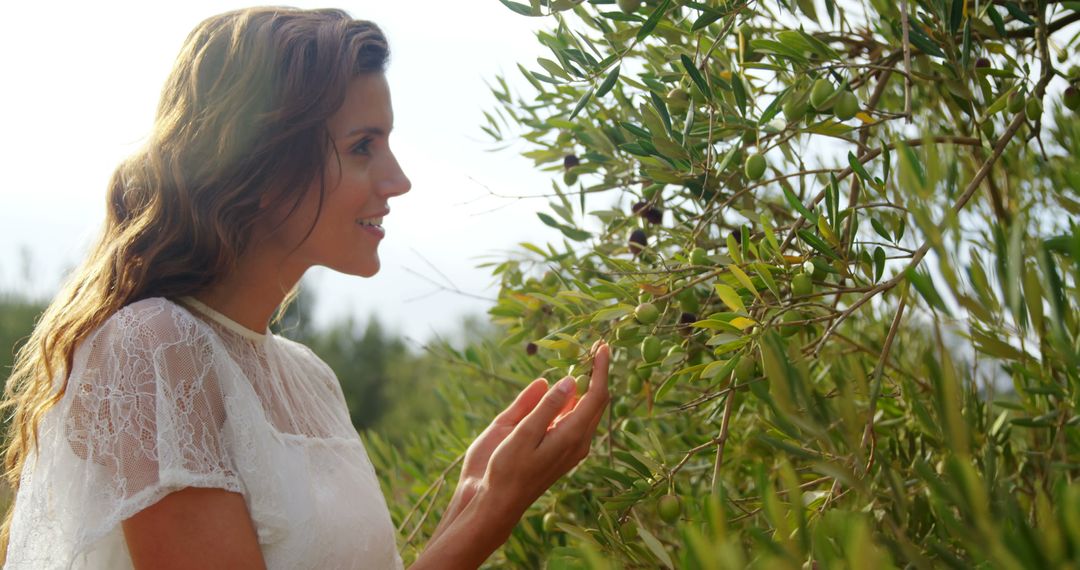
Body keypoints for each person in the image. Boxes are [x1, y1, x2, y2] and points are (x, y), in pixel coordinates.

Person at [0, 7, 611, 569]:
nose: (397, 181)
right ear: (260, 162)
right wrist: (492, 515)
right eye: (362, 146)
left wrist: (474, 498)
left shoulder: (310, 379)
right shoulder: (151, 348)